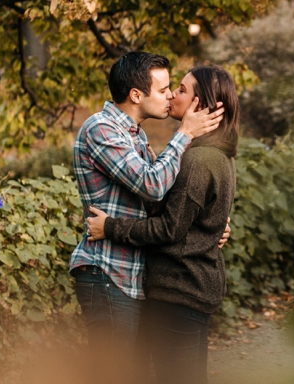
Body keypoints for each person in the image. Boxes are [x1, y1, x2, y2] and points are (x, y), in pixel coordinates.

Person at [69, 52, 225, 375]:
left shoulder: (135, 135)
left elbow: (163, 203)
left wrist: (208, 227)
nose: (170, 96)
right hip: (107, 271)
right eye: (164, 89)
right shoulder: (101, 128)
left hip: (131, 276)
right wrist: (185, 134)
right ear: (136, 95)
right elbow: (153, 185)